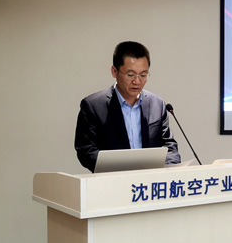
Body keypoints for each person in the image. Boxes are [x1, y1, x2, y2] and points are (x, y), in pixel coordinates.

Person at [74, 41, 181, 172]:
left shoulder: (157, 104)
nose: (137, 81)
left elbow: (169, 146)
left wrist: (168, 169)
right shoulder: (93, 106)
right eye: (130, 75)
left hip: (150, 180)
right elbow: (86, 150)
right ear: (114, 71)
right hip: (112, 179)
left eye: (143, 75)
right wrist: (122, 170)